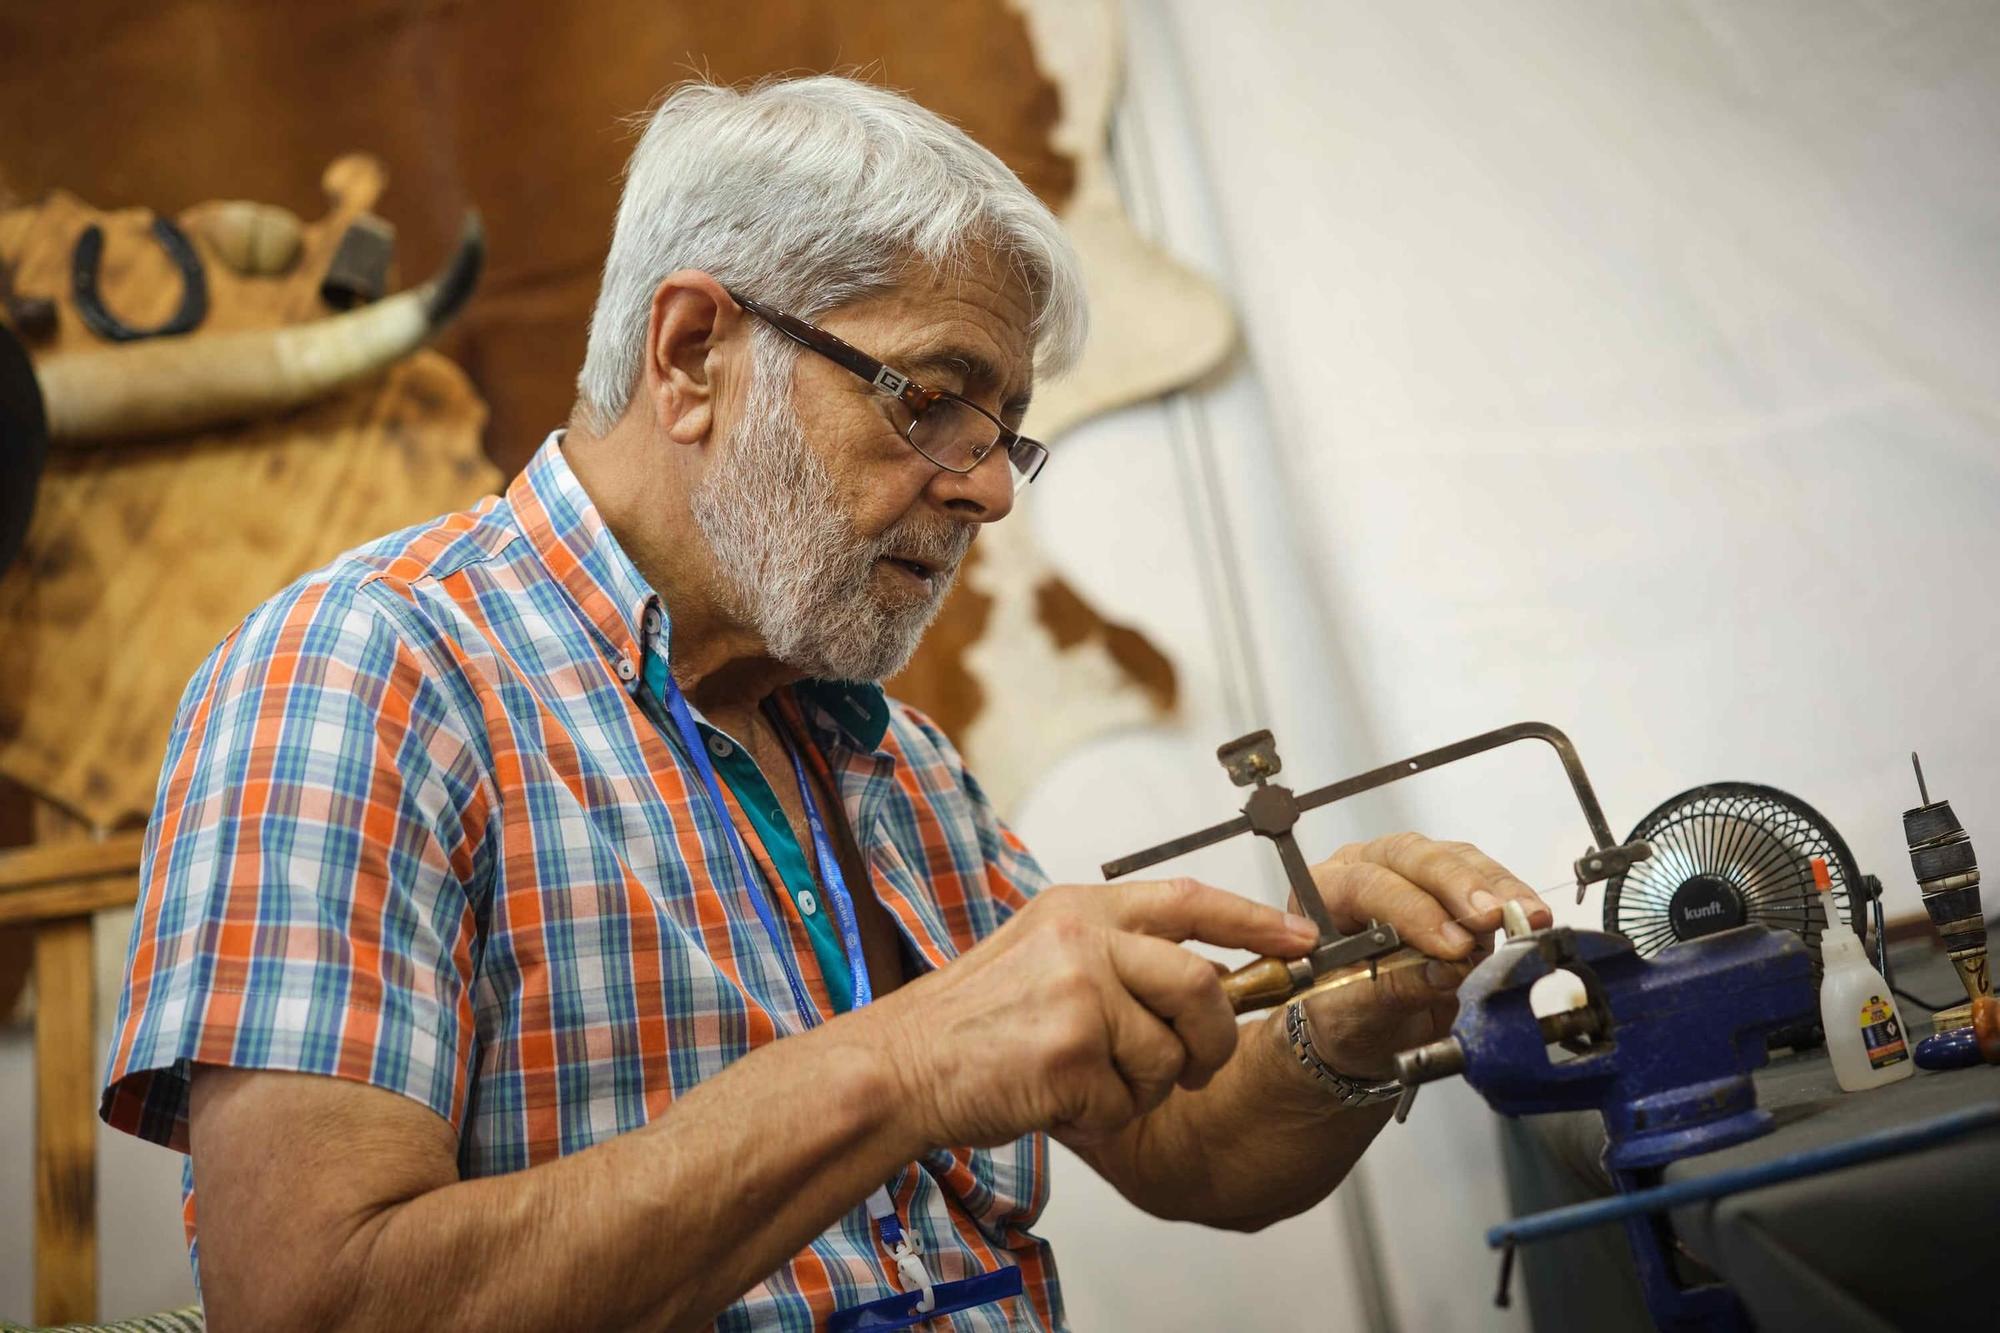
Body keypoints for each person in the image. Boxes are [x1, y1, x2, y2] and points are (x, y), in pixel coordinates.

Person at [102, 75, 1550, 1331]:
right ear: (690, 356)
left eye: (1005, 435)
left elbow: (1188, 1152)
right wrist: (904, 1062)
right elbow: (315, 1303)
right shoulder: (366, 671)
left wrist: (1350, 1011)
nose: (986, 485)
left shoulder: (882, 751)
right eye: (932, 398)